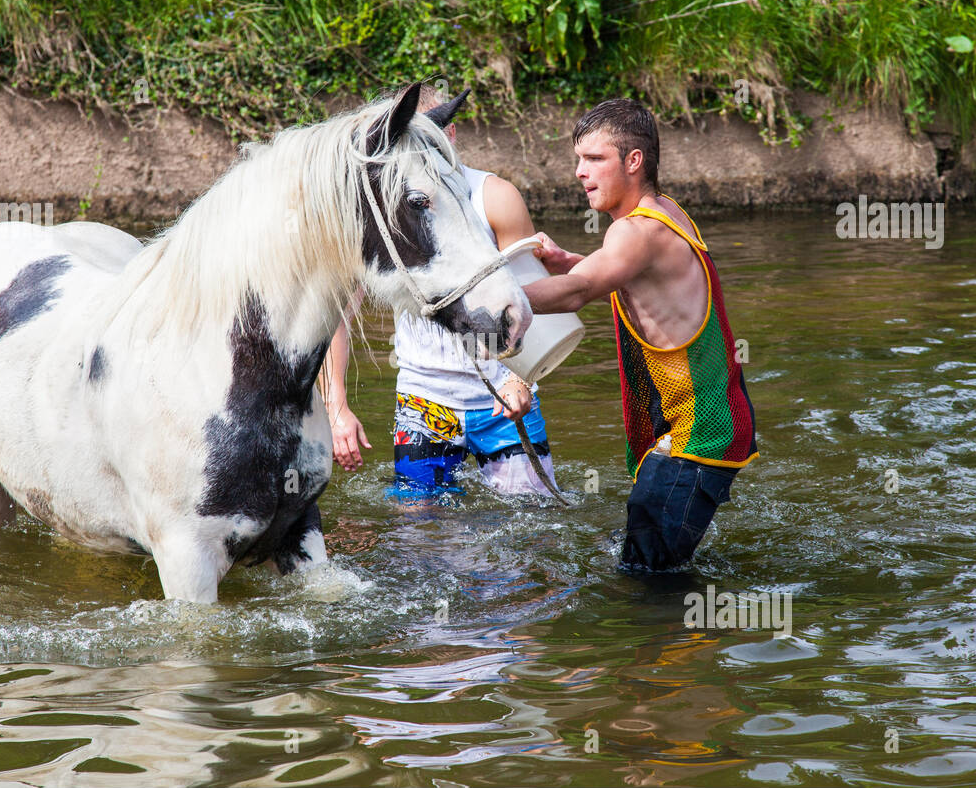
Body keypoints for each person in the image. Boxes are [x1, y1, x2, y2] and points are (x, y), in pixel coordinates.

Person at [522, 99, 757, 575]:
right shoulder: (663, 212)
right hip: (700, 425)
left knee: (647, 581)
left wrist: (481, 299)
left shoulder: (637, 232)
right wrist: (570, 260)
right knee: (642, 558)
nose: (579, 172)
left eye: (594, 159)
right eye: (578, 159)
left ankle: (679, 645)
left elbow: (579, 292)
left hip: (700, 435)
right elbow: (616, 274)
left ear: (634, 161)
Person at [321, 83, 559, 497]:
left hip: (504, 397)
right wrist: (336, 404)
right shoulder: (386, 208)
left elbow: (533, 295)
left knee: (533, 527)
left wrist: (522, 381)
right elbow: (337, 312)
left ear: (449, 133)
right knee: (420, 534)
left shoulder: (496, 196)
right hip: (423, 399)